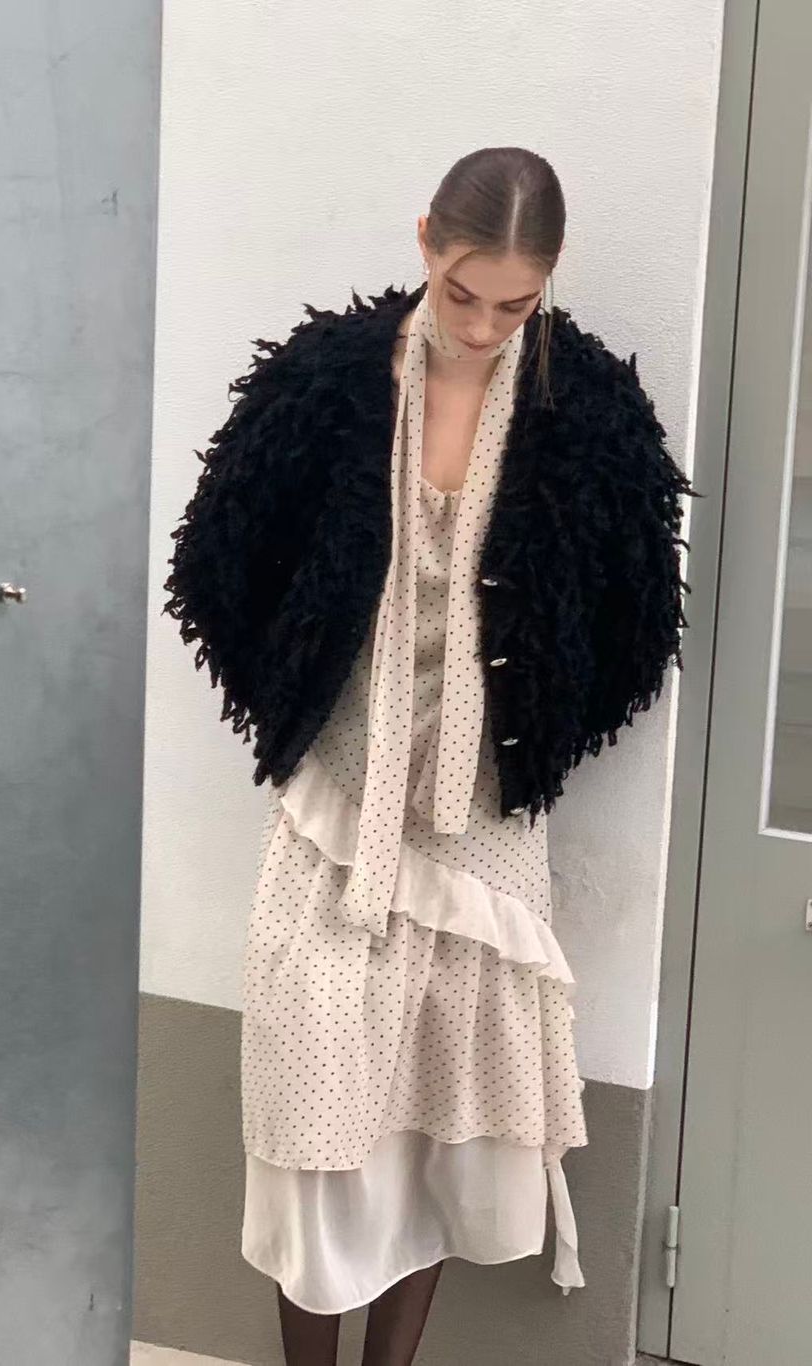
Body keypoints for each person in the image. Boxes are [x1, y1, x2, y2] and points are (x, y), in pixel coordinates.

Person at [163, 147, 699, 1366]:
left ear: (546, 281)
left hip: (482, 826)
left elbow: (636, 615)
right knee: (312, 1119)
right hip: (337, 802)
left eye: (514, 304)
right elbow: (219, 556)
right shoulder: (330, 380)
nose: (483, 326)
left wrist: (535, 724)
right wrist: (300, 688)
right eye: (463, 293)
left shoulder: (583, 407)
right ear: (424, 243)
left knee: (433, 1127)